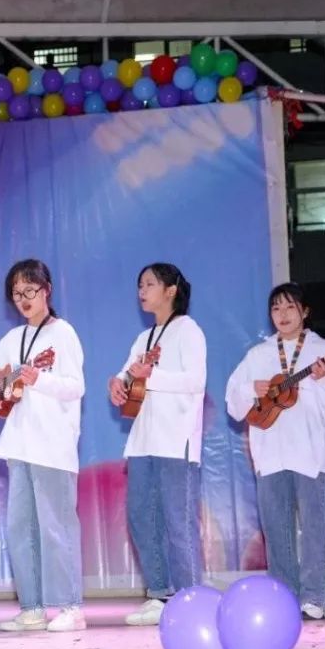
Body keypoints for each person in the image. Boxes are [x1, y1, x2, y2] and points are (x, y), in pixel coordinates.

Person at [225, 282, 325, 620]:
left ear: (305, 311)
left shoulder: (323, 350)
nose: (282, 314)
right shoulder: (258, 355)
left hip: (310, 453)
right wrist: (251, 388)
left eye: (290, 307)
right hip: (270, 453)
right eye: (276, 308)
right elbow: (233, 402)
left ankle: (317, 597)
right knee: (276, 529)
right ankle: (283, 596)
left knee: (314, 527)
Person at [0, 259, 87, 633]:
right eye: (16, 293)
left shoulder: (63, 333)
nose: (23, 299)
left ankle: (71, 606)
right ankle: (32, 607)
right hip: (18, 445)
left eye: (30, 290)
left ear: (47, 290)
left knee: (57, 527)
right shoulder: (13, 339)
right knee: (19, 528)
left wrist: (39, 379)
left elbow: (75, 386)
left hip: (52, 445)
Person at [107, 263, 205, 626]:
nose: (142, 291)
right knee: (141, 518)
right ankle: (160, 593)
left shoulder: (188, 330)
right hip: (142, 442)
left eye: (149, 284)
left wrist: (153, 376)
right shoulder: (144, 338)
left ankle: (192, 598)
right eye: (139, 285)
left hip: (175, 441)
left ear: (171, 290)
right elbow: (127, 374)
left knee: (179, 522)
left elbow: (195, 381)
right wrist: (117, 385)